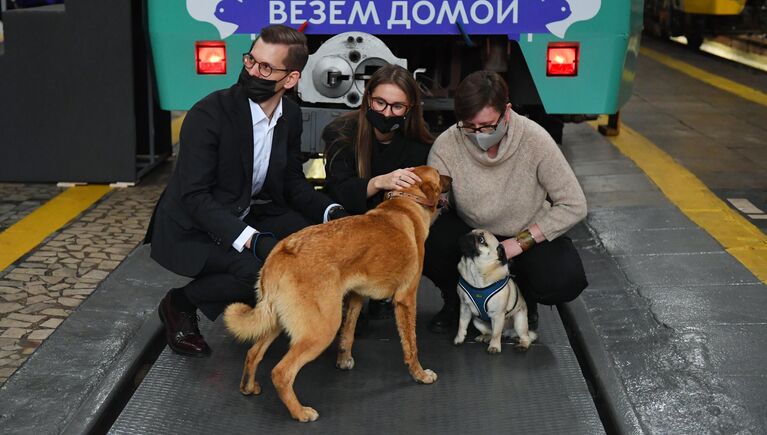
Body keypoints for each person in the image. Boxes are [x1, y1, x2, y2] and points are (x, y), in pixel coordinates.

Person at [146, 25, 348, 357]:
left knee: (315, 247)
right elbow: (195, 197)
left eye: (266, 68)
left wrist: (332, 215)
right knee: (262, 271)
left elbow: (292, 183)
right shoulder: (208, 115)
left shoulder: (291, 116)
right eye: (251, 60)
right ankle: (180, 303)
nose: (252, 71)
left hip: (243, 212)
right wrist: (253, 240)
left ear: (291, 79)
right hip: (192, 226)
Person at [424, 70, 588, 333]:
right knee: (427, 237)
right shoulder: (447, 144)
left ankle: (524, 300)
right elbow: (436, 204)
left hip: (524, 234)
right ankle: (456, 300)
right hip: (473, 234)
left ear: (507, 111)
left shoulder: (535, 139)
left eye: (488, 126)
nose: (479, 134)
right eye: (470, 127)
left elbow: (574, 204)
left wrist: (518, 243)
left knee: (563, 278)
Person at [322, 64, 433, 318]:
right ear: (367, 99)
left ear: (410, 109)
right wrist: (378, 182)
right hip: (349, 218)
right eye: (380, 103)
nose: (386, 112)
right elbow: (338, 190)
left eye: (397, 107)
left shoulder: (420, 145)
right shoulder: (340, 133)